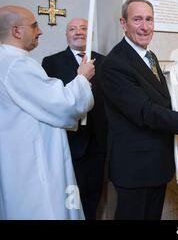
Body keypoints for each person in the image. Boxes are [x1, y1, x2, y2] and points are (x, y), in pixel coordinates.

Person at [99, 0, 178, 220]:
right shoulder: (114, 64)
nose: (145, 27)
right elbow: (145, 111)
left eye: (149, 20)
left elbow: (163, 102)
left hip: (155, 163)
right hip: (134, 167)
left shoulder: (149, 56)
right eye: (137, 19)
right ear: (123, 23)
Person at [0, 5, 95, 219]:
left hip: (18, 158)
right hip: (33, 163)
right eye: (34, 26)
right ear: (16, 31)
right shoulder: (16, 65)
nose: (40, 31)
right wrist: (82, 77)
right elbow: (64, 103)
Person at [42, 18, 107, 220]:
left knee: (94, 196)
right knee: (70, 197)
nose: (78, 32)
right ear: (67, 35)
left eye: (84, 28)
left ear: (91, 34)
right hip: (70, 142)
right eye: (73, 29)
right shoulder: (51, 62)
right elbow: (52, 101)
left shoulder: (104, 61)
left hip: (98, 142)